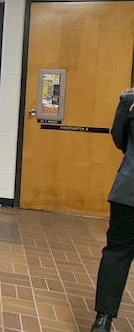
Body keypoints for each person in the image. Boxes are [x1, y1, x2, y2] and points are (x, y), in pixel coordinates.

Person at [91, 87, 134, 332]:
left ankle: (103, 321)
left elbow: (119, 138)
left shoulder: (129, 100)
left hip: (128, 188)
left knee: (117, 253)